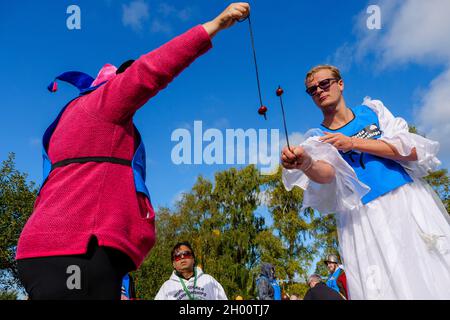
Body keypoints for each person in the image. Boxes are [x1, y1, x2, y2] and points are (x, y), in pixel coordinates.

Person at [15, 3, 251, 300]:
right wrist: (214, 25)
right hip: (79, 249)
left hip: (42, 251)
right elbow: (150, 70)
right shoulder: (103, 102)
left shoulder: (66, 119)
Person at [281, 65, 450, 299]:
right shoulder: (316, 138)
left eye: (324, 83)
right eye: (311, 90)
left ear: (340, 84)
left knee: (428, 269)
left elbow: (410, 150)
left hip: (404, 199)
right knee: (385, 285)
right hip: (363, 217)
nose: (318, 90)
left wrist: (352, 143)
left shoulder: (373, 111)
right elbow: (327, 174)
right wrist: (306, 163)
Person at [154, 242, 227, 300]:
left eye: (186, 254)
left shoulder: (209, 280)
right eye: (177, 256)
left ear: (193, 259)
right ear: (174, 264)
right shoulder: (167, 287)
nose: (182, 258)